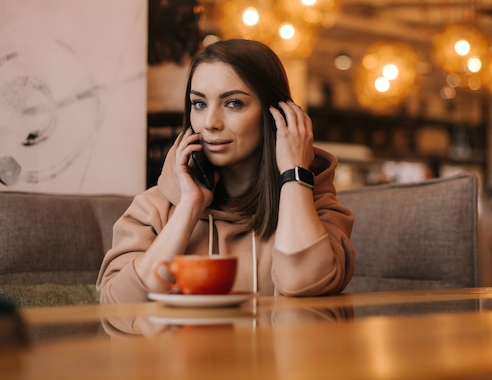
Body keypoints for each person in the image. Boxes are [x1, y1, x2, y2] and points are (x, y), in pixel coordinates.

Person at [97, 39, 355, 303]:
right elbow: (118, 304)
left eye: (233, 103)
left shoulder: (314, 204)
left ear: (276, 113)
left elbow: (306, 282)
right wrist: (189, 207)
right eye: (199, 104)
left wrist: (294, 174)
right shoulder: (153, 209)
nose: (210, 123)